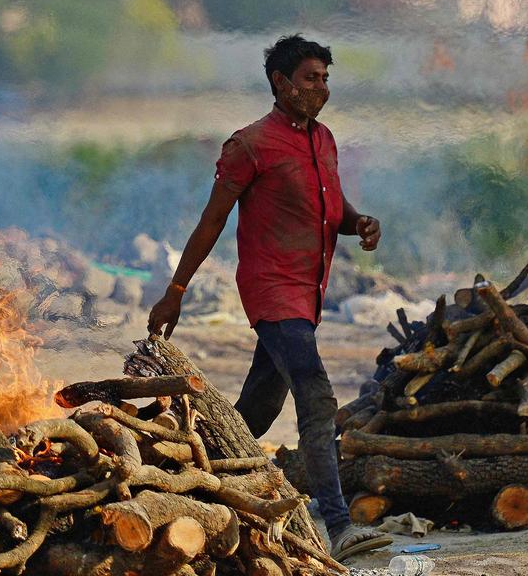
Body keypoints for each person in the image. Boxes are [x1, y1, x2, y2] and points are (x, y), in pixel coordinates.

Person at [147, 34, 393, 561]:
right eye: (310, 78)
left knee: (253, 415)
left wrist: (361, 223)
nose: (321, 89)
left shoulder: (323, 139)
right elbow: (212, 219)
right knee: (317, 395)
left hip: (308, 295)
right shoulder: (250, 144)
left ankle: (178, 483)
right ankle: (340, 525)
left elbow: (334, 208)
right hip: (272, 290)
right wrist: (175, 290)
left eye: (325, 79)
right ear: (280, 83)